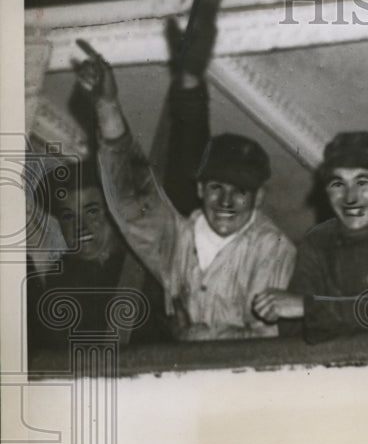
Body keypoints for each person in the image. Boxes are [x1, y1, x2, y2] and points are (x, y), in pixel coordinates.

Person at [73, 39, 296, 341]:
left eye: (240, 191)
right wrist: (106, 104)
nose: (225, 202)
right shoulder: (180, 240)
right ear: (201, 189)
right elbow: (131, 196)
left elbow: (263, 341)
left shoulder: (272, 247)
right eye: (217, 187)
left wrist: (194, 337)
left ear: (258, 198)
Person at [252, 131, 368, 343]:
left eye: (363, 183)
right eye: (338, 184)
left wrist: (310, 308)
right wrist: (277, 310)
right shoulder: (317, 241)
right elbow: (294, 332)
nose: (350, 198)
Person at [27, 160, 169, 358]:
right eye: (68, 216)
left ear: (112, 213)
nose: (81, 226)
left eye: (92, 211)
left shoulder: (147, 265)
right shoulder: (56, 279)